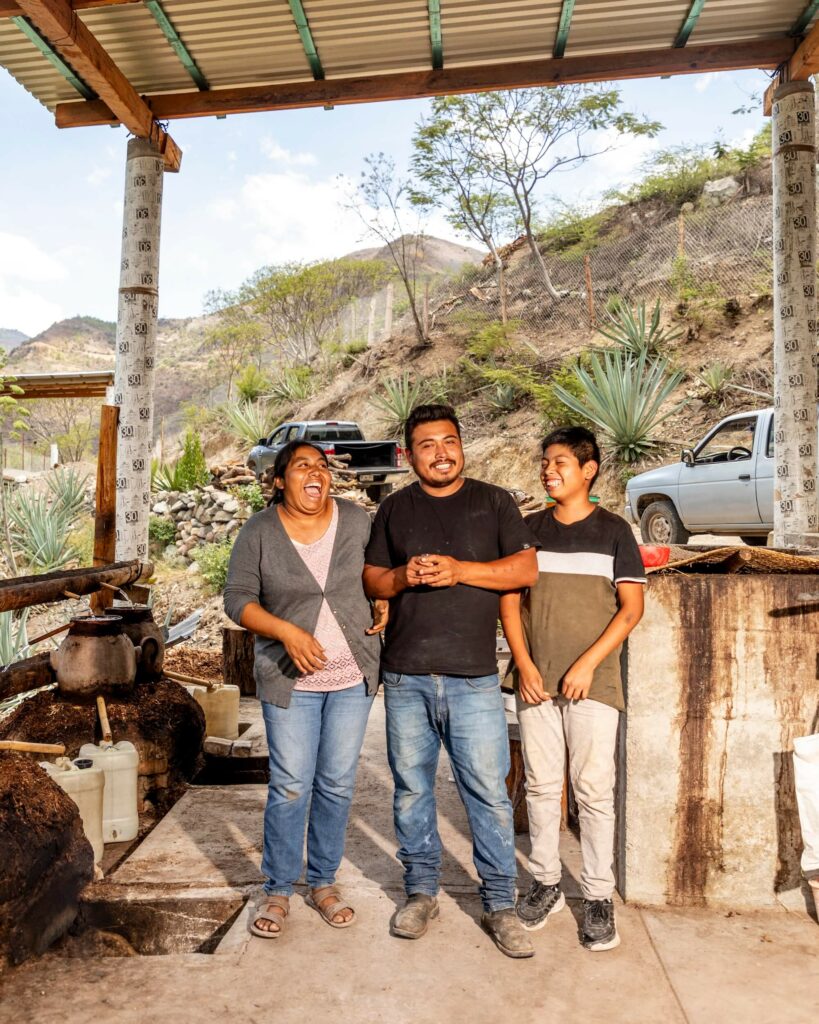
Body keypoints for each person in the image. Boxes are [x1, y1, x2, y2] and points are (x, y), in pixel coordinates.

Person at [363, 403, 539, 959]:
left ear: (462, 445)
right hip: (406, 676)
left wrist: (462, 570)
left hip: (474, 679)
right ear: (408, 455)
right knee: (412, 789)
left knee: (487, 793)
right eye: (427, 445)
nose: (441, 452)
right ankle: (420, 892)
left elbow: (525, 569)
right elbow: (372, 576)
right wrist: (400, 576)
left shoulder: (494, 502)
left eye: (449, 441)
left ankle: (500, 903)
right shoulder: (395, 509)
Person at [224, 440, 386, 938]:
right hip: (290, 681)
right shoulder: (259, 531)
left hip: (350, 677)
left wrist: (385, 601)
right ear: (279, 480)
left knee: (336, 783)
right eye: (301, 467)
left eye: (321, 466)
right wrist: (286, 632)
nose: (315, 474)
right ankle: (277, 887)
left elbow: (377, 575)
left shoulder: (357, 521)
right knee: (291, 785)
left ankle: (322, 882)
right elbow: (237, 600)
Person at [499, 426, 645, 952]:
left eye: (560, 461)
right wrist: (524, 663)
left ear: (589, 470)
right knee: (539, 787)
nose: (548, 469)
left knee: (593, 790)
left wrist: (584, 665)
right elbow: (510, 603)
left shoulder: (614, 532)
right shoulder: (527, 529)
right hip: (534, 680)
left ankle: (599, 896)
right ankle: (545, 883)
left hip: (594, 684)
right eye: (544, 461)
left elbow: (632, 609)